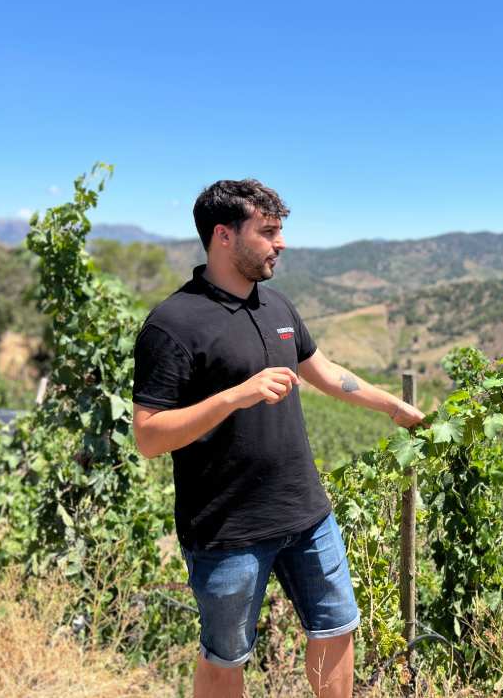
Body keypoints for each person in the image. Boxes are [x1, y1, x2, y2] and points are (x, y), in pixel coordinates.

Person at [132, 179, 424, 698]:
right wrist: (232, 397)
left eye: (280, 231)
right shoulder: (173, 324)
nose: (281, 243)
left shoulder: (278, 308)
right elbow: (150, 436)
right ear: (223, 235)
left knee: (337, 628)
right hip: (228, 530)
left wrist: (396, 408)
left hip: (306, 512)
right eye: (267, 232)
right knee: (226, 657)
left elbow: (327, 372)